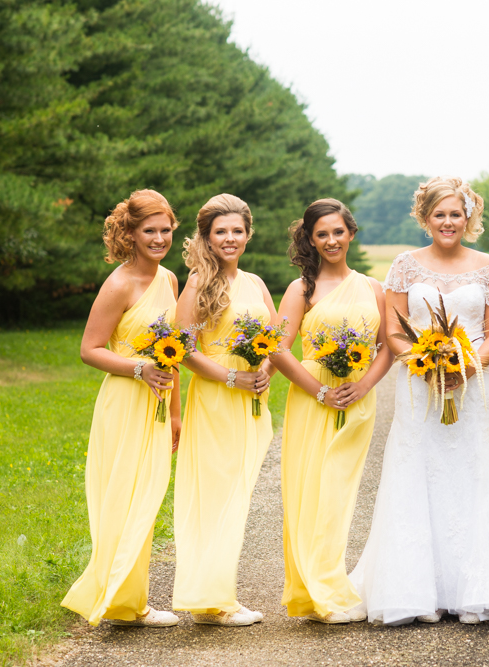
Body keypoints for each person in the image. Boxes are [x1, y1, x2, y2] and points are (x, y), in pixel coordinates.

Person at [349, 176, 489, 626]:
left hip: (474, 387)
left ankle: (479, 587)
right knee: (419, 471)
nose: (448, 222)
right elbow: (393, 330)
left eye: (456, 214)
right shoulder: (404, 266)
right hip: (420, 385)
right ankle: (417, 589)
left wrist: (468, 365)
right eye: (440, 215)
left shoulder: (488, 267)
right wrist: (426, 362)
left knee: (475, 469)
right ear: (425, 218)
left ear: (468, 216)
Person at [61, 189, 180, 628]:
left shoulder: (169, 280)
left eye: (166, 230)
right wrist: (138, 368)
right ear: (129, 234)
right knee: (125, 498)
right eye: (150, 230)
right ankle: (117, 597)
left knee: (147, 499)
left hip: (158, 402)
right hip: (125, 401)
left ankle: (129, 601)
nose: (159, 238)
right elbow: (89, 349)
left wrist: (176, 414)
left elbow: (175, 353)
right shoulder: (119, 283)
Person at [272, 199, 393, 624]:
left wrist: (363, 384)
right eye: (321, 234)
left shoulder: (374, 289)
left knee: (340, 493)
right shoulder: (301, 289)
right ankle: (318, 591)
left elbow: (388, 348)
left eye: (337, 232)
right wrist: (321, 391)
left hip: (359, 401)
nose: (330, 240)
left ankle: (327, 581)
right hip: (313, 399)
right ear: (310, 239)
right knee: (311, 490)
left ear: (351, 233)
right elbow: (279, 349)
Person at [172, 194, 277, 626]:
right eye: (221, 232)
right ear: (207, 237)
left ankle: (213, 596)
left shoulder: (254, 283)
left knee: (238, 495)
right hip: (216, 399)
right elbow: (181, 348)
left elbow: (277, 338)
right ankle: (214, 601)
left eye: (237, 231)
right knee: (216, 495)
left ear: (248, 234)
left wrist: (267, 368)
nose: (230, 239)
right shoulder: (198, 282)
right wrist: (232, 378)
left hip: (253, 402)